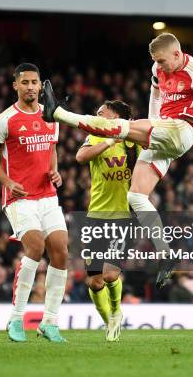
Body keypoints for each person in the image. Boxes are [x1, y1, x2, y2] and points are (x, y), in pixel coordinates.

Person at [42, 33, 193, 287]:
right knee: (136, 197)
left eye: (163, 61)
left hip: (182, 129)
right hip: (167, 132)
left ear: (177, 54)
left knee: (116, 127)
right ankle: (166, 254)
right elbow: (155, 93)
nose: (159, 66)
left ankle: (57, 113)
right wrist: (155, 121)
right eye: (156, 61)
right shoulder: (158, 67)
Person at [0, 63, 69, 343]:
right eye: (26, 82)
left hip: (47, 195)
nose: (31, 87)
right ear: (16, 86)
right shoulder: (3, 120)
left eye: (35, 82)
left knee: (61, 250)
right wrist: (8, 182)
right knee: (35, 246)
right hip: (19, 198)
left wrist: (54, 170)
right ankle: (16, 318)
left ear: (41, 85)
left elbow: (51, 149)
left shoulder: (51, 114)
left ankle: (50, 322)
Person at [75, 100, 139, 341]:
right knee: (94, 282)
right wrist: (110, 141)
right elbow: (81, 156)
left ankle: (117, 311)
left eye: (102, 113)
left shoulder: (134, 142)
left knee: (111, 275)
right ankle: (109, 322)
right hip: (96, 216)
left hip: (124, 217)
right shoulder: (96, 137)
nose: (97, 115)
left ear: (116, 117)